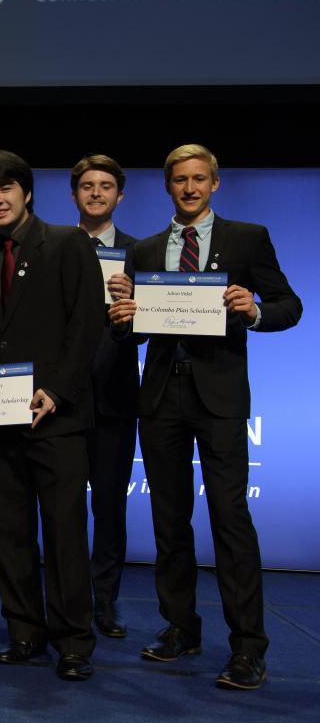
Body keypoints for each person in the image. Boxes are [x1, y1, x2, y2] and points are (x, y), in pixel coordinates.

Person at [108, 144, 302, 690]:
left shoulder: (248, 238)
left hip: (219, 399)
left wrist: (254, 309)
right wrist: (123, 320)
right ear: (167, 186)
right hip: (162, 398)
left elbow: (290, 305)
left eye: (199, 179)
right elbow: (137, 329)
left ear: (215, 183)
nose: (190, 188)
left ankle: (247, 648)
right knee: (169, 522)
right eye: (179, 180)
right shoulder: (143, 251)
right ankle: (179, 628)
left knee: (230, 520)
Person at [0, 150, 102, 681]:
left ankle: (74, 640)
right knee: (8, 534)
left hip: (54, 419)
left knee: (64, 534)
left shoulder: (66, 242)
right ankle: (25, 632)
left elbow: (86, 326)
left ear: (26, 192)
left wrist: (56, 390)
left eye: (4, 189)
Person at [70, 153, 140, 638]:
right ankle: (69, 595)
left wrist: (136, 305)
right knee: (63, 506)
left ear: (120, 194)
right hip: (65, 398)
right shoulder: (53, 247)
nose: (96, 193)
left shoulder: (142, 253)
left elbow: (154, 329)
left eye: (105, 186)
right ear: (74, 194)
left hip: (115, 394)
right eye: (87, 186)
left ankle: (106, 600)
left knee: (110, 505)